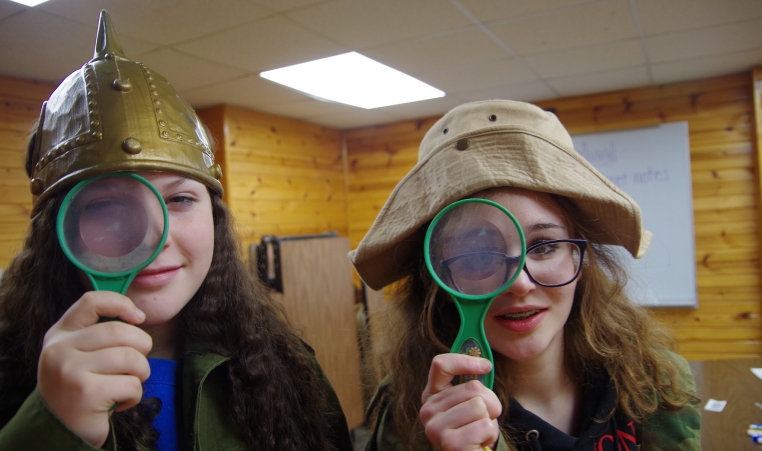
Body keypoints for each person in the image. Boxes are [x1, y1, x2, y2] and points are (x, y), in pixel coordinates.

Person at [0, 11, 353, 451]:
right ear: (58, 230)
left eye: (180, 200)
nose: (154, 238)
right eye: (109, 206)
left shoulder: (286, 363)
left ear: (214, 218)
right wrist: (49, 429)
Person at [349, 99, 700, 451]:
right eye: (477, 254)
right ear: (439, 278)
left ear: (581, 258)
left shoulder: (655, 382)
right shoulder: (409, 417)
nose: (519, 283)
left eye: (545, 246)